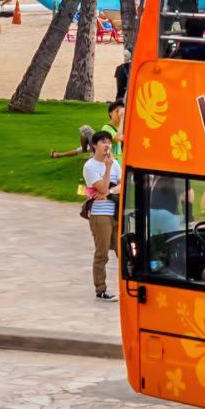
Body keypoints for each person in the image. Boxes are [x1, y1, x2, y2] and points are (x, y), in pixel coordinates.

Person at [82, 127, 123, 300]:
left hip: (116, 212)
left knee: (124, 250)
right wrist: (107, 169)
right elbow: (102, 187)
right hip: (100, 215)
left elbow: (122, 185)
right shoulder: (90, 166)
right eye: (103, 142)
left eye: (108, 142)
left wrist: (109, 192)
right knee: (102, 252)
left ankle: (129, 286)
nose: (107, 145)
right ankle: (101, 288)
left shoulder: (116, 163)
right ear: (94, 146)